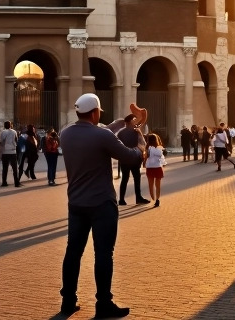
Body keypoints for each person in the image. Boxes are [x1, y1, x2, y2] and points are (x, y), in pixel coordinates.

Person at [58, 93, 142, 318]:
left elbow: (103, 131)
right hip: (102, 204)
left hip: (76, 203)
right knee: (104, 254)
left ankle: (68, 301)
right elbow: (130, 157)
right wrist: (141, 145)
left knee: (73, 252)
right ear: (95, 113)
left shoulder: (65, 133)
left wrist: (123, 122)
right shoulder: (101, 135)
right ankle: (103, 303)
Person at [116, 114, 148, 206]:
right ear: (129, 122)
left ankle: (121, 200)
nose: (136, 122)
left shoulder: (120, 133)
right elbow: (143, 143)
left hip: (125, 158)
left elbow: (118, 146)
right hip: (135, 158)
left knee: (125, 179)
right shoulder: (136, 132)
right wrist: (140, 133)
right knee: (136, 178)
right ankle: (138, 198)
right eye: (134, 120)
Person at [144, 133, 165, 207]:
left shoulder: (147, 148)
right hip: (158, 167)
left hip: (150, 168)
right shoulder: (159, 148)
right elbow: (161, 156)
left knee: (150, 184)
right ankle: (157, 199)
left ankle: (152, 196)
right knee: (158, 185)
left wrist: (144, 164)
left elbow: (145, 157)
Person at [0, 121, 21, 188]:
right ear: (11, 125)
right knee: (14, 168)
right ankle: (16, 183)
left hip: (5, 152)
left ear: (4, 125)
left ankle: (4, 182)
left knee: (5, 168)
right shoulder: (14, 132)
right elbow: (16, 140)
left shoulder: (2, 132)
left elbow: (0, 141)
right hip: (12, 151)